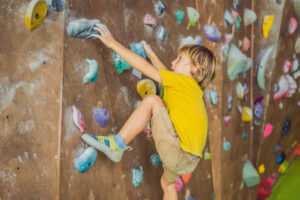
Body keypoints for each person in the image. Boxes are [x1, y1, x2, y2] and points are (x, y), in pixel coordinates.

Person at [81, 23, 216, 200]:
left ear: (195, 69)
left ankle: (117, 144)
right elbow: (165, 75)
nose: (173, 62)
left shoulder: (183, 83)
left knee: (153, 100)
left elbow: (146, 69)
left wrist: (112, 43)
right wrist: (151, 53)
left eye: (180, 59)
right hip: (189, 161)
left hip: (179, 153)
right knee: (167, 184)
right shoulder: (193, 91)